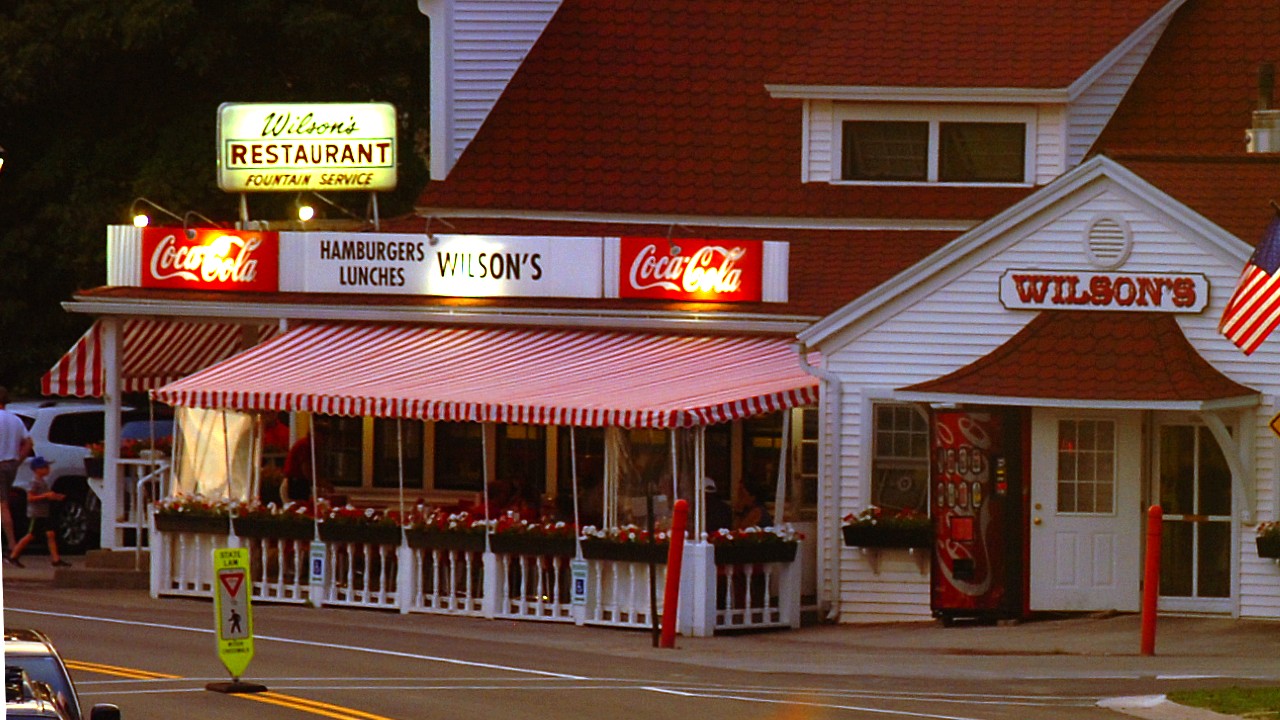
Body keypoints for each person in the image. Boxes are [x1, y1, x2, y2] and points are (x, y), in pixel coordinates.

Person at [8, 456, 69, 568]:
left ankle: (56, 559)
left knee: (50, 534)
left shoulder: (43, 482)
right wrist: (46, 496)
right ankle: (13, 556)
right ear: (37, 469)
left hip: (43, 513)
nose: (48, 469)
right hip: (36, 514)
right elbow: (30, 498)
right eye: (45, 467)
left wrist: (55, 497)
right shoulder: (34, 482)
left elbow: (46, 495)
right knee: (30, 535)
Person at [0, 386, 33, 553]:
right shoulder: (15, 420)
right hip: (10, 463)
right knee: (3, 502)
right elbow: (28, 442)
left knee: (3, 504)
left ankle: (13, 545)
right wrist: (18, 460)